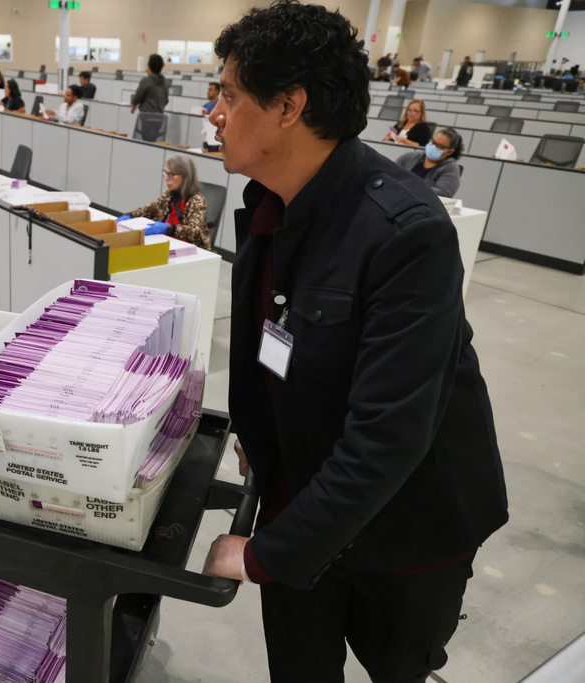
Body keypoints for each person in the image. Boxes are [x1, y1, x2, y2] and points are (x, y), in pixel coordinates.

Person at [201, 5, 507, 683]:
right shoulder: (268, 204)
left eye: (227, 95)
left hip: (406, 529)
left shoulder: (404, 232)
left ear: (289, 105)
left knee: (400, 668)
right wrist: (262, 438)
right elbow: (269, 348)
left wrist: (261, 555)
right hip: (302, 496)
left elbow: (390, 436)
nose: (213, 113)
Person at [117, 155, 211, 249]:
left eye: (171, 175)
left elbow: (195, 232)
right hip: (164, 242)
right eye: (166, 173)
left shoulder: (196, 200)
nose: (166, 178)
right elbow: (151, 209)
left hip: (187, 249)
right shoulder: (169, 195)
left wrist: (168, 228)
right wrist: (131, 215)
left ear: (185, 177)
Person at [396, 128, 463, 197]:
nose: (433, 147)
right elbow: (389, 173)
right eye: (433, 142)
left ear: (450, 152)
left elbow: (443, 193)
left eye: (440, 146)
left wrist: (412, 187)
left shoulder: (450, 168)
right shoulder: (409, 157)